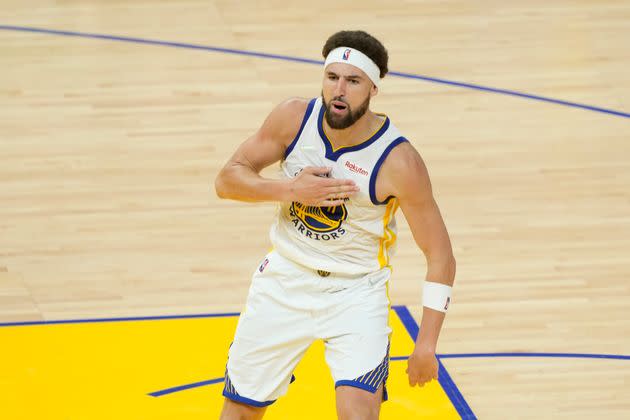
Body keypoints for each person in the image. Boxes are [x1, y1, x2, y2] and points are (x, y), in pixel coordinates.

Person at [214, 30, 456, 420]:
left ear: (373, 88)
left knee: (357, 413)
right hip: (285, 279)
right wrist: (291, 189)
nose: (339, 90)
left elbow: (440, 255)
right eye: (332, 78)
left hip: (356, 290)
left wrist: (426, 344)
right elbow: (226, 181)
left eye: (353, 81)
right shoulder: (293, 118)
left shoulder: (400, 162)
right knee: (238, 412)